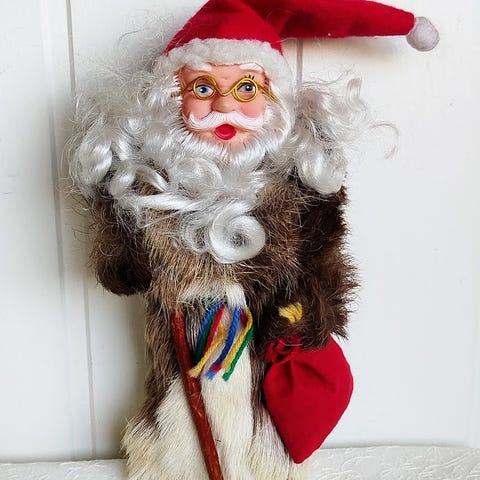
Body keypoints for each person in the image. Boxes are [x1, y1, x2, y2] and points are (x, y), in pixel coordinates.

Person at [71, 1, 438, 478]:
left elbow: (324, 275)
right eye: (203, 88)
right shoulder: (150, 194)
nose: (225, 107)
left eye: (246, 88)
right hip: (179, 389)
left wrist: (304, 315)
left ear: (274, 101)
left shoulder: (302, 192)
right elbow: (121, 276)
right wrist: (124, 212)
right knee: (181, 439)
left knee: (262, 450)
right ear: (170, 100)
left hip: (265, 392)